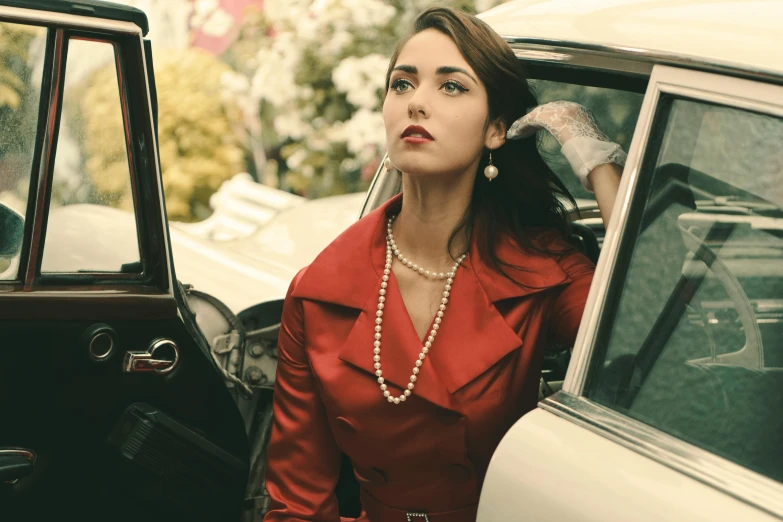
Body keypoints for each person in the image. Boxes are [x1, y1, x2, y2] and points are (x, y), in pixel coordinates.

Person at [263, 6, 624, 521]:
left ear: (496, 129)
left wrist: (593, 157)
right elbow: (297, 503)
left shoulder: (541, 270)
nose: (417, 104)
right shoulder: (317, 291)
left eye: (451, 87)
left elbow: (647, 331)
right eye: (402, 84)